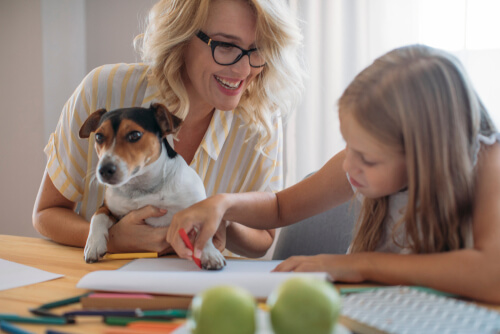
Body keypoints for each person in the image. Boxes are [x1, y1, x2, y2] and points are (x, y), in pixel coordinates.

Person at [167, 44, 500, 303]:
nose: (348, 165)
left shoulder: (489, 165)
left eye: (367, 158)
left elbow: (491, 276)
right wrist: (222, 204)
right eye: (348, 145)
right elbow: (281, 208)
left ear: (426, 155)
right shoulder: (364, 161)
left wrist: (358, 265)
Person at [32, 0, 303, 258]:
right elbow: (46, 213)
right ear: (182, 36)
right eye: (225, 46)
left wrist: (223, 220)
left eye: (258, 49)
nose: (244, 68)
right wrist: (113, 239)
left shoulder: (259, 122)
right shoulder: (102, 90)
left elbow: (263, 240)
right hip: (101, 284)